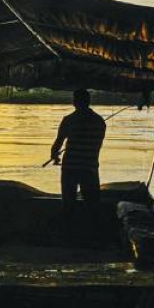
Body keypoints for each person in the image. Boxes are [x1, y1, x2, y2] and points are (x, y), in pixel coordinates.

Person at [49, 88, 106, 221]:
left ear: (74, 102)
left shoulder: (68, 120)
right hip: (89, 167)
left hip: (70, 167)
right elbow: (97, 145)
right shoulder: (99, 121)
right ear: (89, 101)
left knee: (68, 204)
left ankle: (68, 230)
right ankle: (92, 232)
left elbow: (57, 144)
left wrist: (55, 156)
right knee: (92, 204)